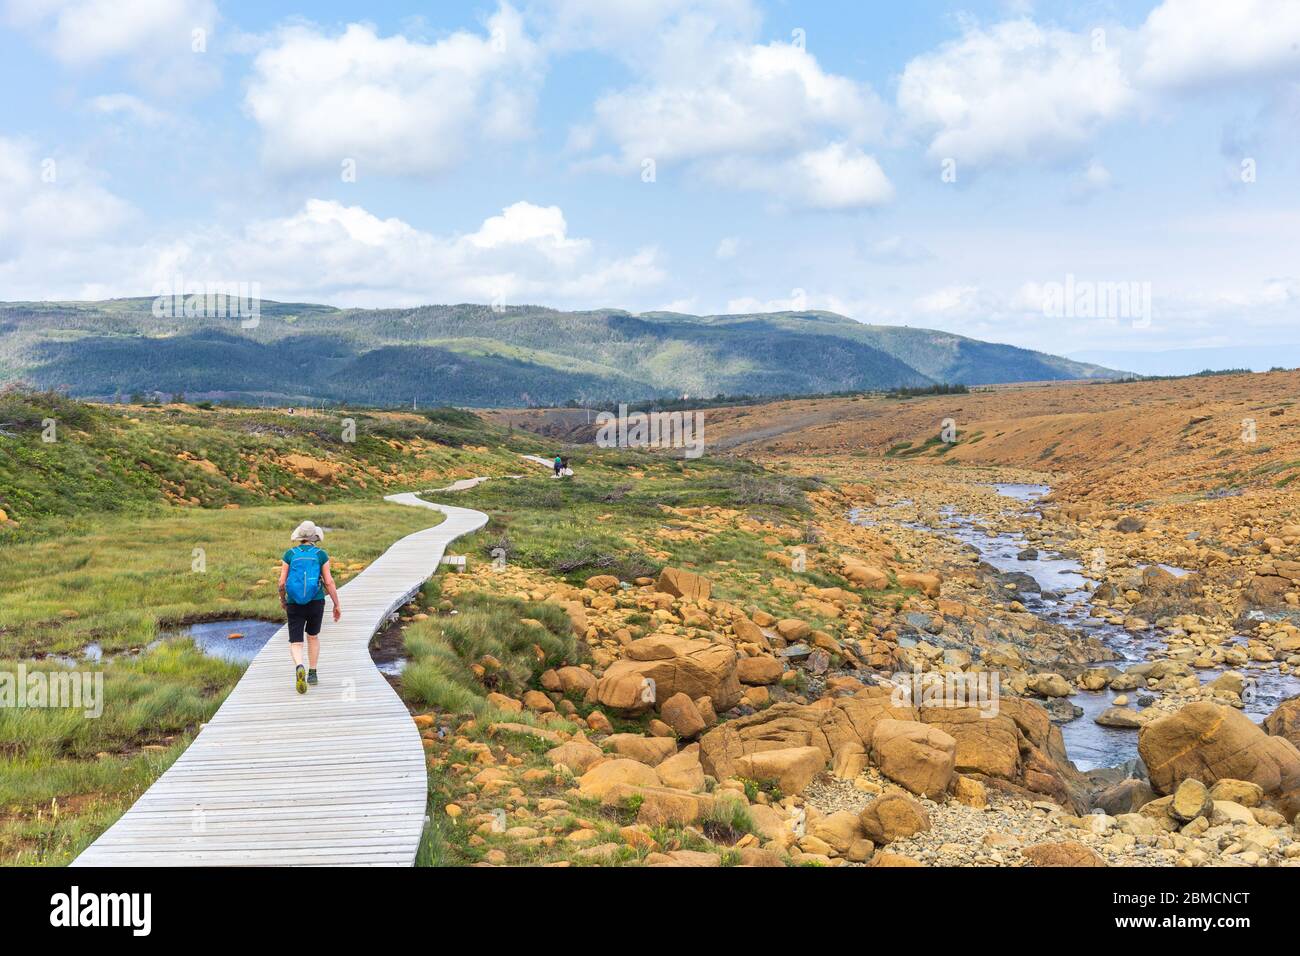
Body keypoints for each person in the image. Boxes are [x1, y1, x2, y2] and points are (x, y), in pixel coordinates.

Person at [278, 520, 341, 694]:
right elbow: (328, 582)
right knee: (313, 637)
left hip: (294, 603)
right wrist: (336, 604)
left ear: (299, 537)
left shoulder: (289, 554)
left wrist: (283, 599)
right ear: (315, 537)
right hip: (316, 601)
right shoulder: (321, 555)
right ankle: (312, 673)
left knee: (296, 641)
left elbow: (282, 582)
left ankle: (299, 666)